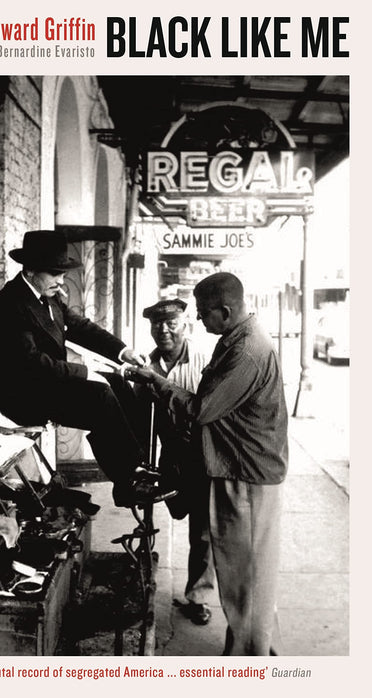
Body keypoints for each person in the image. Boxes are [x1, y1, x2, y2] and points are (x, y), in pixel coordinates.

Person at [125, 273, 288, 655]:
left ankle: (250, 658)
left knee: (246, 575)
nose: (198, 320)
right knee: (246, 574)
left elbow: (201, 409)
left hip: (245, 474)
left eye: (201, 312)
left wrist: (157, 382)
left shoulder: (246, 351)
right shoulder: (236, 340)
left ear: (225, 312)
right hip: (235, 468)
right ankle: (253, 645)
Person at [0, 230, 175, 508]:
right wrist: (84, 373)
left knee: (119, 384)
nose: (61, 280)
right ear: (31, 269)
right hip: (23, 395)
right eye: (54, 273)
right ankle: (129, 482)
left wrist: (123, 352)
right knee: (100, 396)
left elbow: (81, 328)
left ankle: (137, 467)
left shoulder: (47, 296)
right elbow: (31, 363)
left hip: (49, 384)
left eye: (62, 273)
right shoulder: (9, 304)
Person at [139, 298, 216, 625]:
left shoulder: (203, 359)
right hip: (169, 455)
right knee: (152, 515)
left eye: (171, 323)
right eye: (158, 324)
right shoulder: (148, 365)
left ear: (185, 324)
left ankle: (198, 597)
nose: (164, 331)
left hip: (201, 453)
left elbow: (207, 408)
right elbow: (141, 419)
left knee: (203, 531)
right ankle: (142, 583)